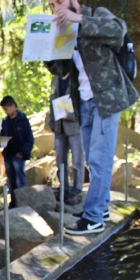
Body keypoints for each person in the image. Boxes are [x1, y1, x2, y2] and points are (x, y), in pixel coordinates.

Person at [45, 0, 138, 234]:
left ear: (74, 0)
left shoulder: (95, 15)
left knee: (99, 158)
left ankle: (93, 217)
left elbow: (118, 30)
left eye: (60, 2)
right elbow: (62, 70)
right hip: (83, 101)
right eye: (53, 5)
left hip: (107, 99)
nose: (57, 9)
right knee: (90, 158)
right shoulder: (64, 30)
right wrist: (46, 49)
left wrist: (78, 20)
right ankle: (103, 207)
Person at [48, 74, 85, 205]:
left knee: (77, 161)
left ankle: (77, 191)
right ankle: (64, 189)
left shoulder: (77, 77)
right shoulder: (55, 79)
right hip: (59, 127)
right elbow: (52, 101)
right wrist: (51, 122)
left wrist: (69, 115)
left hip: (74, 126)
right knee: (60, 161)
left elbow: (83, 103)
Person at [0, 95, 34, 208]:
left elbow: (29, 139)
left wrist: (23, 152)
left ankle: (23, 204)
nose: (6, 111)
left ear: (13, 106)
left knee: (20, 181)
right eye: (4, 109)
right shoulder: (4, 121)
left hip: (19, 155)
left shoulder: (22, 119)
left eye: (7, 109)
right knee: (11, 181)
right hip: (8, 154)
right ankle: (13, 203)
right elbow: (2, 136)